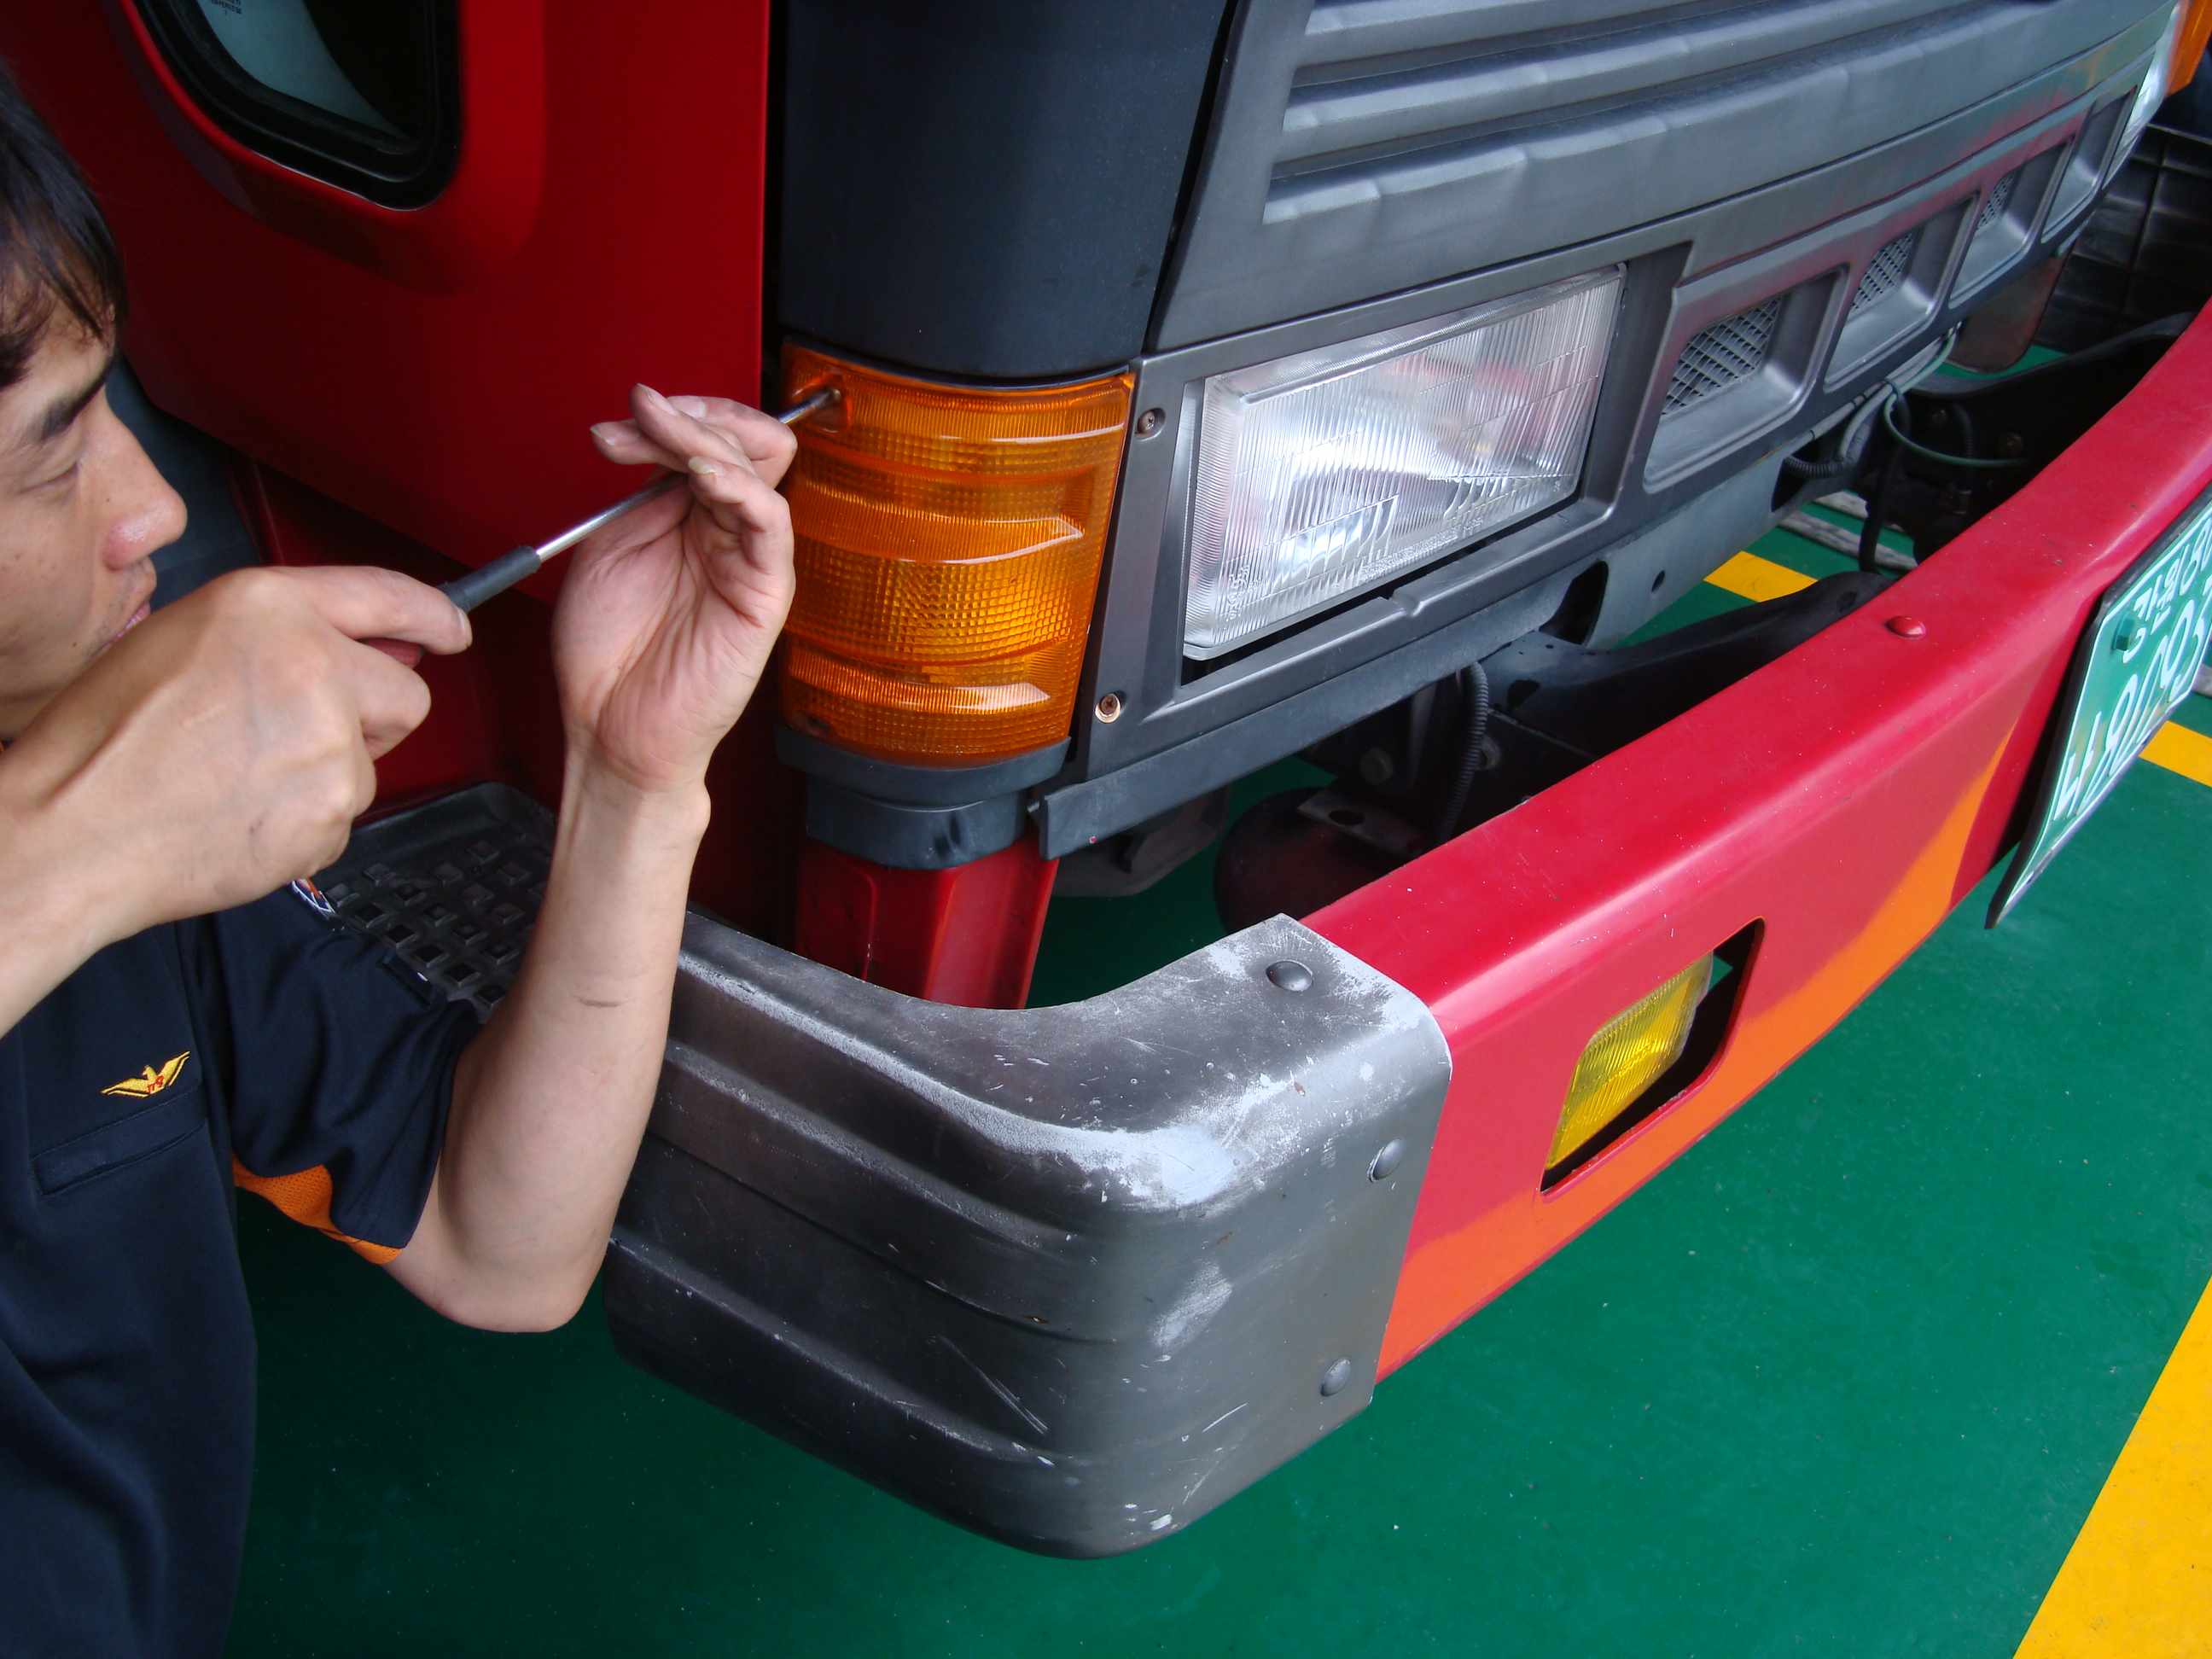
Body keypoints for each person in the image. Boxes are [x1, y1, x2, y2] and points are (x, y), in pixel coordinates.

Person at [0, 67, 795, 1656]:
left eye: (113, 406)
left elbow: (500, 1242)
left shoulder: (114, 811)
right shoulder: (99, 820)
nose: (150, 508)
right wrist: (83, 839)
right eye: (48, 454)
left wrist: (634, 778)